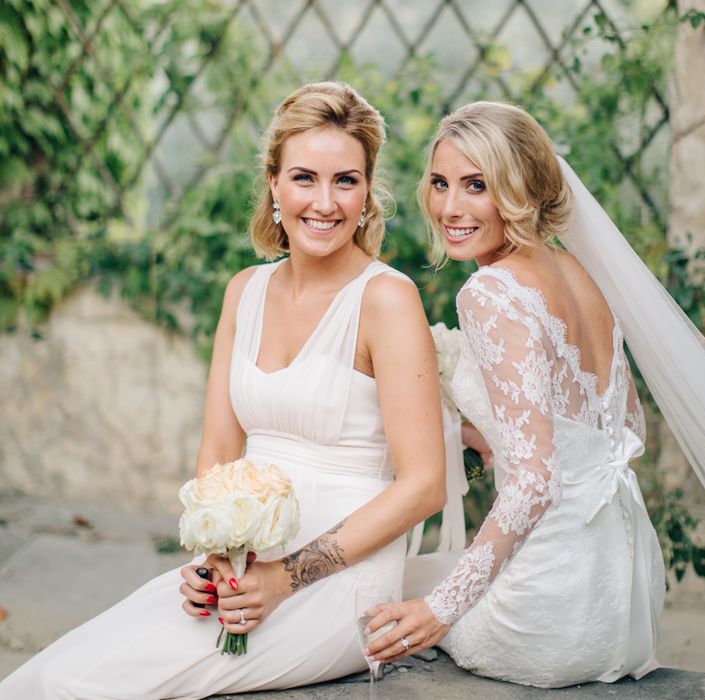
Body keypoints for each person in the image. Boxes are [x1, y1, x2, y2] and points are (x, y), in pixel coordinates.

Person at [0, 82, 446, 698]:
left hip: (339, 583)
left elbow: (424, 484)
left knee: (96, 686)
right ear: (273, 185)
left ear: (368, 191)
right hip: (242, 572)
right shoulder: (246, 291)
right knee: (60, 671)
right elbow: (216, 452)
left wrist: (284, 579)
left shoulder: (387, 300)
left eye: (346, 180)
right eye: (303, 178)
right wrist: (211, 560)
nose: (325, 202)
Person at [366, 101, 668, 688]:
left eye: (475, 185)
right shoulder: (581, 272)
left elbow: (534, 482)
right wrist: (480, 435)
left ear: (520, 189)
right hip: (625, 603)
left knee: (378, 596)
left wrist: (441, 610)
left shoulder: (491, 293)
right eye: (440, 183)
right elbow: (627, 432)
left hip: (547, 617)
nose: (450, 207)